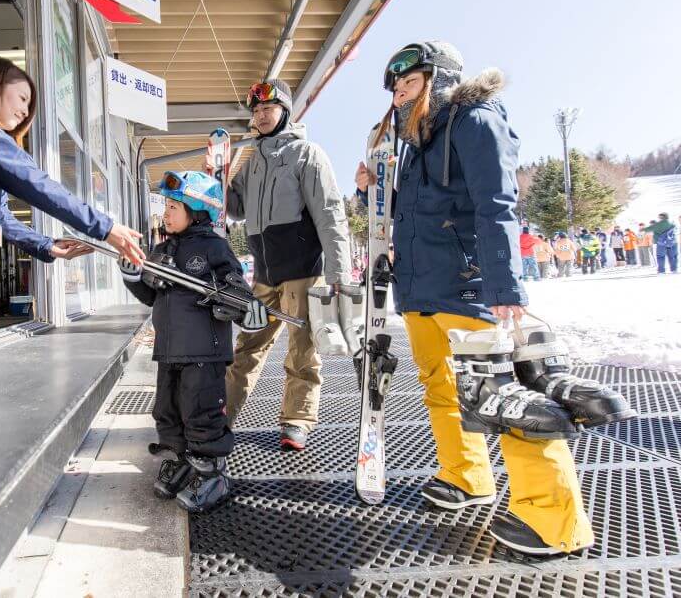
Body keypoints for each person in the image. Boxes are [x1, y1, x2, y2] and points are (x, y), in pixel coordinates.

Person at [355, 41, 592, 556]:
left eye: (409, 82)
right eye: (395, 87)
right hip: (421, 288)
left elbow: (497, 204)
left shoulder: (475, 121)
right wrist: (369, 190)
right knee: (441, 388)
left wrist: (504, 286)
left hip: (469, 285)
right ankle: (466, 475)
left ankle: (552, 521)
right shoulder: (414, 142)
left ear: (439, 78)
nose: (399, 95)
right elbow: (406, 213)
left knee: (503, 394)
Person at [210, 78, 352, 451]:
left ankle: (296, 420)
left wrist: (338, 275)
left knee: (302, 350)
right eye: (257, 110)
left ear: (285, 111)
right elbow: (235, 210)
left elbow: (330, 215)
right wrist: (219, 181)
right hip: (264, 275)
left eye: (268, 108)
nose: (261, 115)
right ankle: (221, 416)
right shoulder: (253, 161)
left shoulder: (307, 154)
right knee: (247, 346)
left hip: (303, 271)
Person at [119, 171, 267, 513]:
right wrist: (132, 276)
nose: (166, 214)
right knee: (167, 410)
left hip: (204, 351)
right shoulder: (162, 249)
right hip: (169, 350)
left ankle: (213, 473)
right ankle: (182, 461)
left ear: (197, 211)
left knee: (201, 411)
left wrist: (242, 305)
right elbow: (150, 296)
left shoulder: (215, 247)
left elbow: (236, 286)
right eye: (166, 207)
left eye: (174, 207)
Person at [0, 57, 144, 305]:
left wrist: (46, 246)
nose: (25, 112)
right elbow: (36, 183)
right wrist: (104, 227)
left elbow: (2, 217)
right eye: (22, 98)